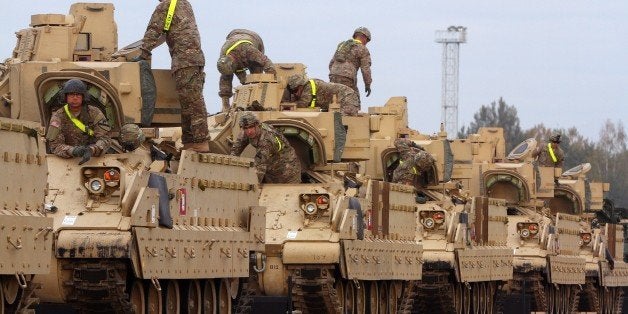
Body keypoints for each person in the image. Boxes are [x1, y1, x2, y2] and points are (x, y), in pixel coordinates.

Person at [138, 0, 209, 153]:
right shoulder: (184, 4)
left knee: (193, 101)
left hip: (184, 61)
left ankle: (201, 141)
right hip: (192, 60)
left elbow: (153, 30)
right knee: (187, 102)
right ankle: (190, 142)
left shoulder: (166, 5)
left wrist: (143, 53)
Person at [47, 79, 111, 164]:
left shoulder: (95, 113)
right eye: (71, 94)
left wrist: (92, 150)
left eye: (78, 94)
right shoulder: (58, 116)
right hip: (66, 160)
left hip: (93, 159)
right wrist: (73, 151)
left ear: (83, 96)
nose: (75, 97)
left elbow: (105, 139)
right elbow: (55, 146)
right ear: (65, 97)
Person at [230, 112, 301, 183]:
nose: (249, 131)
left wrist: (248, 185)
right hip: (271, 168)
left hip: (289, 171)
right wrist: (231, 164)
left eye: (251, 127)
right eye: (245, 128)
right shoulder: (246, 131)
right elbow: (237, 148)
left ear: (257, 125)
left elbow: (259, 167)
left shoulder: (266, 140)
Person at [217, 29, 276, 111]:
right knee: (243, 81)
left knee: (257, 77)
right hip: (233, 36)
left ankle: (258, 102)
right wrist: (225, 104)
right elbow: (225, 80)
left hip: (255, 39)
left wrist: (271, 85)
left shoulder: (249, 51)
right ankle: (244, 103)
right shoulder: (224, 60)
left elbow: (268, 65)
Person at [328, 27, 372, 104]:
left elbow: (331, 63)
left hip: (333, 75)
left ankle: (334, 115)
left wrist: (335, 73)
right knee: (353, 99)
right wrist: (367, 84)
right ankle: (349, 115)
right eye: (367, 41)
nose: (366, 43)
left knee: (335, 98)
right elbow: (365, 69)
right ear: (364, 38)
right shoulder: (363, 49)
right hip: (347, 78)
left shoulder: (342, 45)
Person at [286, 74, 360, 116]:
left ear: (301, 86)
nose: (295, 94)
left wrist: (286, 106)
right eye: (292, 92)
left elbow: (302, 104)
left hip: (347, 97)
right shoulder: (306, 86)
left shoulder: (308, 87)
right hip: (342, 99)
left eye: (295, 90)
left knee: (344, 122)